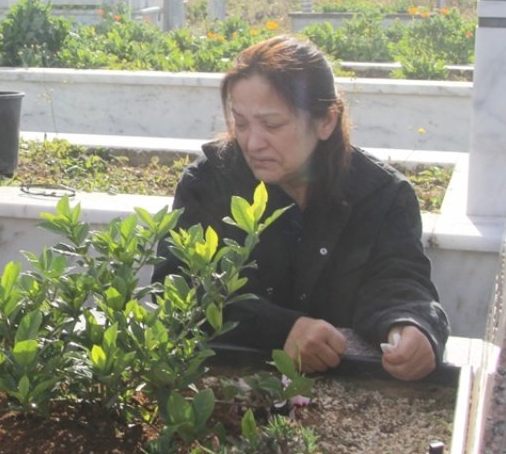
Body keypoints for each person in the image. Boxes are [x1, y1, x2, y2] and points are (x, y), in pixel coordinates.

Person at [153, 35, 449, 381]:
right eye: (241, 123)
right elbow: (178, 288)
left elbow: (399, 280)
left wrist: (412, 325)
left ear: (326, 121)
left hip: (346, 387)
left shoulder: (381, 195)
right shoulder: (209, 183)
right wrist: (281, 329)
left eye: (272, 125)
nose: (252, 142)